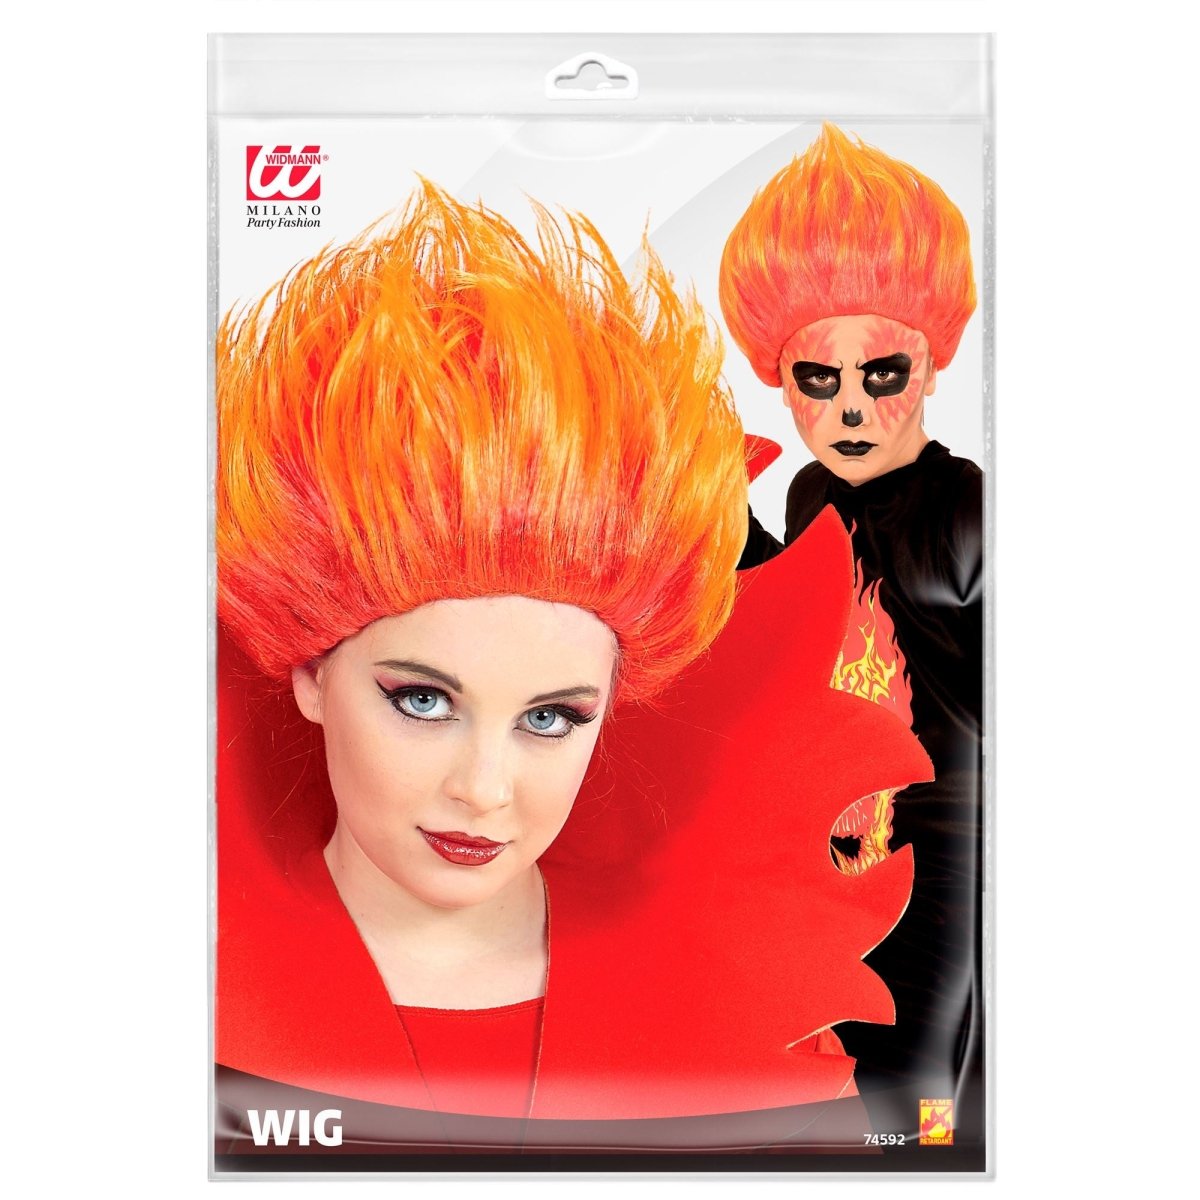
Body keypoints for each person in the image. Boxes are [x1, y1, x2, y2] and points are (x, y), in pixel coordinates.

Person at [214, 183, 930, 1157]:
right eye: (422, 700)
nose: (484, 789)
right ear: (309, 668)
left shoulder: (735, 1018)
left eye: (550, 718)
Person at [720, 124, 984, 1144]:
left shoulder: (969, 508)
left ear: (931, 364)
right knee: (837, 1070)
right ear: (780, 378)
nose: (850, 407)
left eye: (881, 372)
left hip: (943, 852)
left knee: (926, 1094)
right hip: (824, 850)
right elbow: (796, 618)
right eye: (817, 380)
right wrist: (724, 514)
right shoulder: (809, 494)